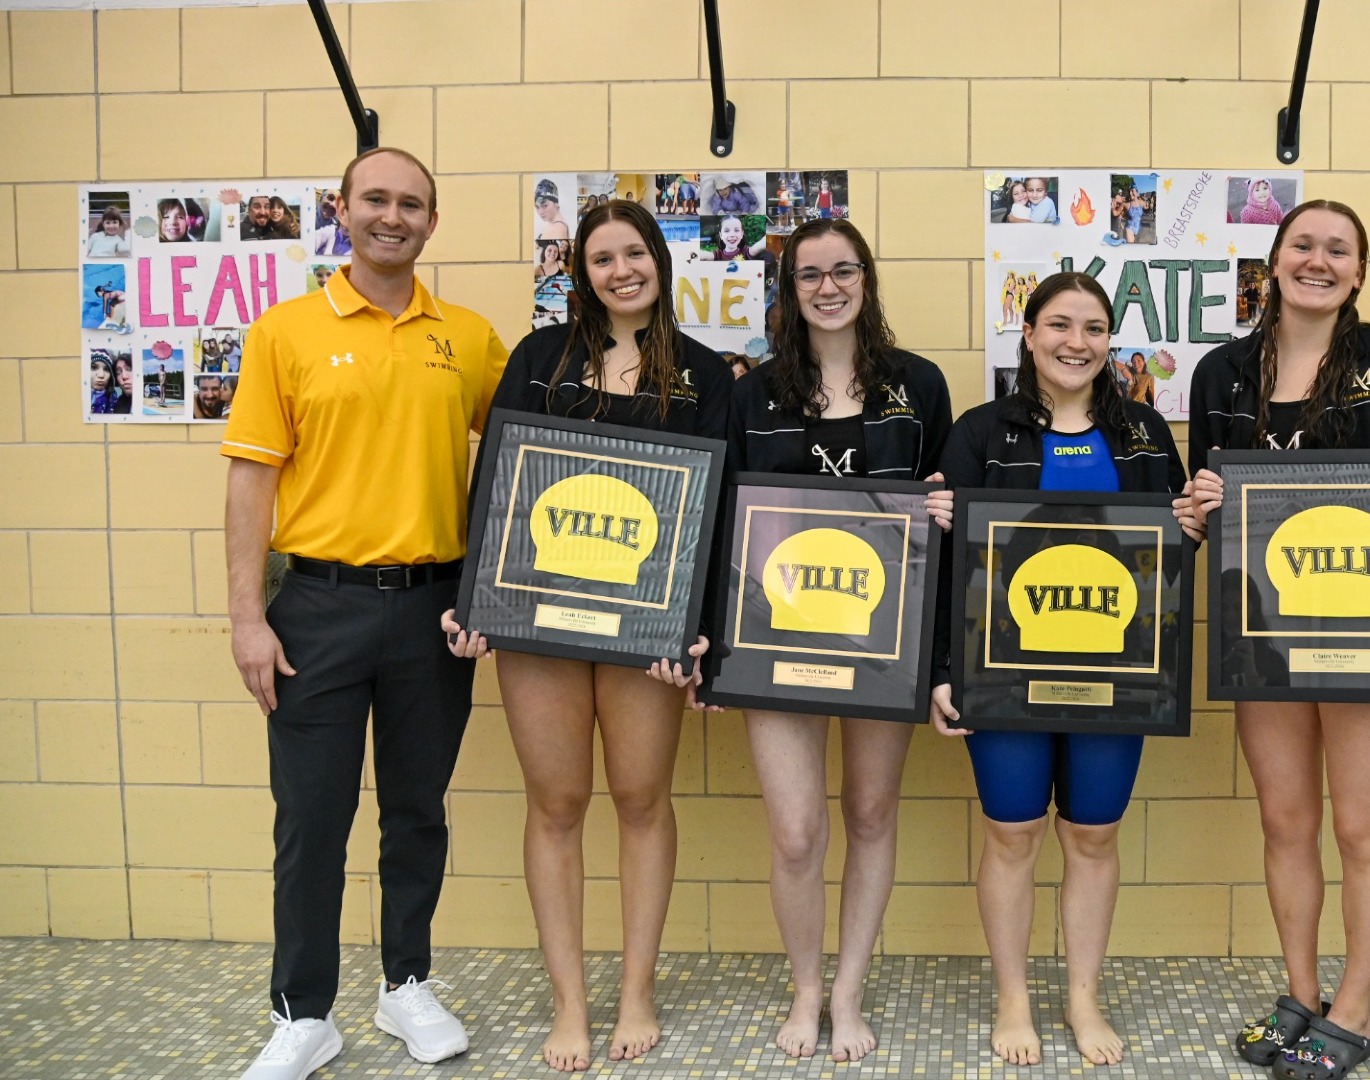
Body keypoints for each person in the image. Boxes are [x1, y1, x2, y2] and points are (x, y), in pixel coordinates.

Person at [222, 146, 509, 1080]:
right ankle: (304, 1012)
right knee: (311, 816)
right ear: (341, 210)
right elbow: (250, 482)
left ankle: (406, 983)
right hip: (315, 607)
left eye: (412, 204)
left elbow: (532, 453)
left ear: (433, 221)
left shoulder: (467, 337)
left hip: (436, 610)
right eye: (375, 200)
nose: (393, 216)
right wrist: (246, 619)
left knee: (418, 811)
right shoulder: (286, 331)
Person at [1186, 200, 1370, 1080]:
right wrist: (1198, 512)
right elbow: (1207, 502)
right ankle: (1301, 993)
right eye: (1302, 245)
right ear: (1273, 263)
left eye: (1338, 250)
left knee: (1359, 825)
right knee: (1285, 819)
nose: (1318, 260)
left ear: (1358, 272)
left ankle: (1352, 1009)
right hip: (1264, 632)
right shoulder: (1221, 373)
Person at [440, 199, 732, 1073]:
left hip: (647, 626)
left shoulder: (706, 374)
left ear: (659, 260)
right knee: (557, 804)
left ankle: (636, 990)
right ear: (580, 273)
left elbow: (714, 515)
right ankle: (570, 1002)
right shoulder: (539, 358)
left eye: (634, 253)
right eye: (601, 258)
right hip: (538, 617)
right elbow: (495, 478)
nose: (621, 271)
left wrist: (695, 627)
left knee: (642, 799)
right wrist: (472, 601)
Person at [927, 271, 1201, 1069]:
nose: (1075, 341)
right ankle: (1013, 997)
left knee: (1094, 832)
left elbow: (1171, 557)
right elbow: (948, 562)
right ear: (1030, 332)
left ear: (1110, 340)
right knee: (1012, 833)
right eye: (1058, 324)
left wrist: (1193, 524)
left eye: (1092, 327)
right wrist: (946, 670)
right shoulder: (980, 432)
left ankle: (1083, 994)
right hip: (1002, 672)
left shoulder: (1146, 430)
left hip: (1117, 676)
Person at [727, 217, 953, 1063]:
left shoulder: (919, 385)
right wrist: (712, 642)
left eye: (843, 271)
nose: (828, 287)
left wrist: (943, 507)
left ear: (867, 279)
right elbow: (724, 523)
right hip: (772, 637)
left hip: (882, 638)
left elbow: (946, 509)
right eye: (810, 274)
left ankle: (850, 992)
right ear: (788, 289)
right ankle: (806, 989)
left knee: (868, 811)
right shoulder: (752, 396)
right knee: (795, 831)